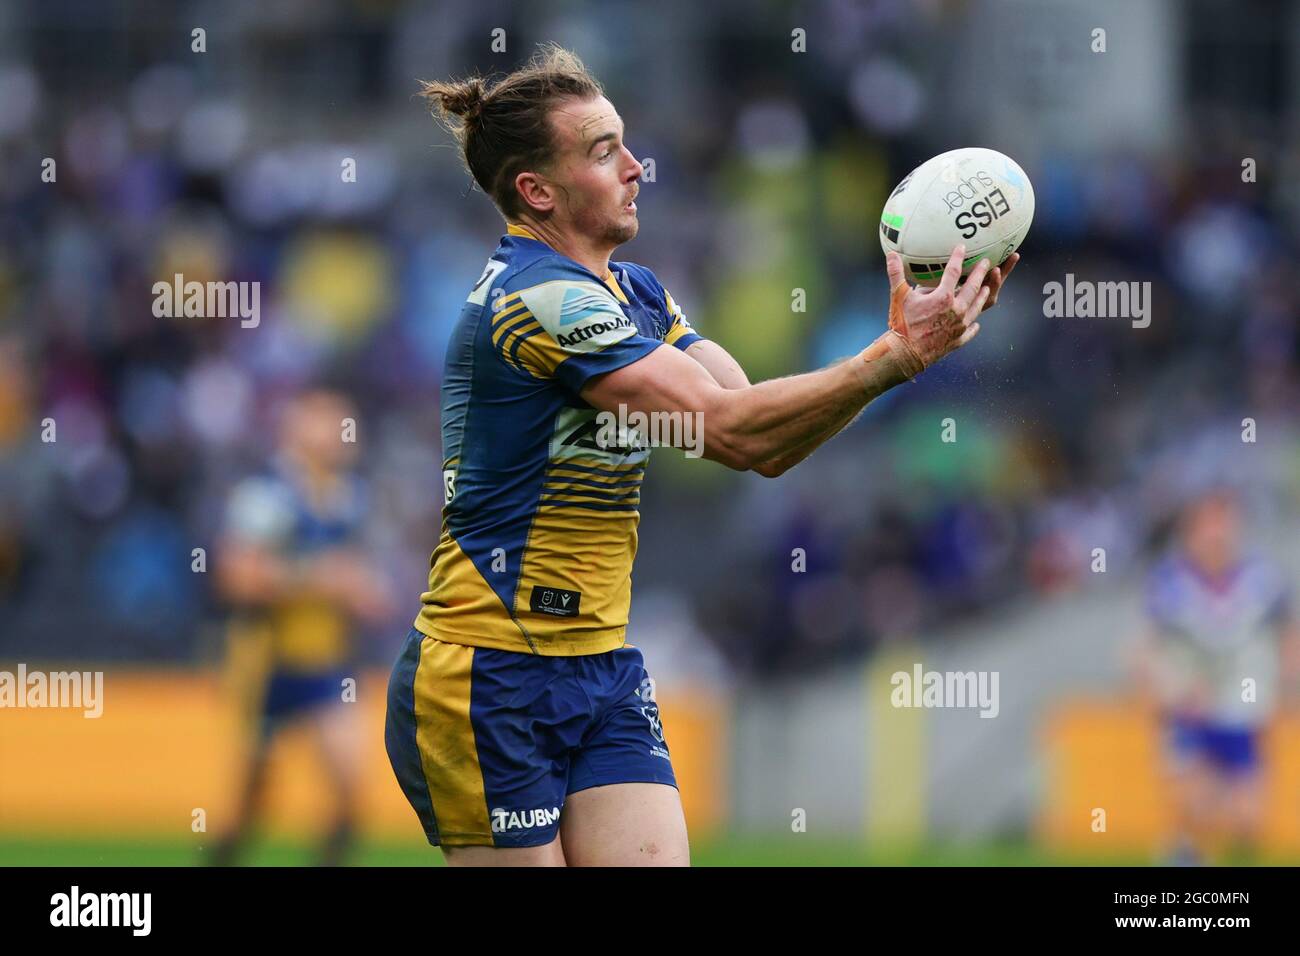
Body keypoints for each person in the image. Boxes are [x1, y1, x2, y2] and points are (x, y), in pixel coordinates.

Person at [385, 44, 1017, 867]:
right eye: (604, 152)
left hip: (601, 669)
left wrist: (899, 353)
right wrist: (893, 358)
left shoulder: (639, 293)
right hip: (489, 675)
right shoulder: (536, 300)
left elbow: (763, 441)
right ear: (537, 192)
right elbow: (733, 428)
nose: (637, 166)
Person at [213, 388, 393, 866]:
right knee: (253, 804)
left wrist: (365, 592)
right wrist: (323, 579)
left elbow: (355, 574)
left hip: (324, 664)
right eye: (333, 423)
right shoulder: (267, 495)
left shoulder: (348, 496)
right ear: (298, 429)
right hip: (267, 662)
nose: (345, 434)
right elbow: (238, 577)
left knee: (352, 791)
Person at [1132, 488, 1298, 864]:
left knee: (1249, 819)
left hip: (1242, 707)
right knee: (1196, 805)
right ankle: (1183, 860)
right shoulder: (1168, 581)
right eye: (1208, 525)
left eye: (1223, 524)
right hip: (1190, 708)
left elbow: (1287, 633)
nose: (1217, 534)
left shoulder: (1264, 578)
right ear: (1191, 532)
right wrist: (1162, 686)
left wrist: (1288, 683)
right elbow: (1143, 647)